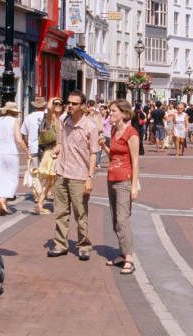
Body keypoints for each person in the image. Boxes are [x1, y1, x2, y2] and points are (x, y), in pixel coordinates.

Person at [48, 90, 99, 261]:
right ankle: (60, 244)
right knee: (61, 212)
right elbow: (61, 142)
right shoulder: (64, 121)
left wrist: (90, 177)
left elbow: (93, 153)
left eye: (74, 103)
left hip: (79, 175)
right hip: (62, 173)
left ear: (83, 106)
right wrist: (57, 149)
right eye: (68, 102)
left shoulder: (90, 127)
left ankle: (84, 245)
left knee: (80, 213)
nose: (70, 106)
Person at [98, 99, 139, 275]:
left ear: (123, 113)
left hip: (124, 179)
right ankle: (122, 253)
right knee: (115, 219)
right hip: (111, 177)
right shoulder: (114, 130)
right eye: (109, 110)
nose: (110, 113)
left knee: (123, 219)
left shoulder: (132, 133)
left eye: (113, 111)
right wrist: (103, 146)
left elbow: (135, 160)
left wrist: (134, 185)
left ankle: (129, 257)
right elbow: (114, 154)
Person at [0, 102, 29, 215]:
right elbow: (19, 139)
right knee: (12, 178)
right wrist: (27, 152)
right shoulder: (14, 121)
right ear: (14, 112)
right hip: (11, 152)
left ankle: (1, 204)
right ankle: (3, 199)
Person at [34, 97, 64, 214]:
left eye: (60, 104)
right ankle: (42, 204)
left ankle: (40, 204)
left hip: (60, 153)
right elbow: (49, 110)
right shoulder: (51, 118)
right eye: (56, 104)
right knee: (53, 181)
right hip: (52, 153)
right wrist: (51, 101)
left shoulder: (62, 119)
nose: (58, 105)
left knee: (52, 182)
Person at [21, 96, 47, 198]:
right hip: (46, 148)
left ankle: (37, 193)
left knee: (35, 171)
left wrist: (28, 145)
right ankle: (43, 192)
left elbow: (24, 135)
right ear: (44, 105)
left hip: (33, 147)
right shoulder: (48, 116)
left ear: (34, 106)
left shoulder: (28, 117)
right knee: (46, 171)